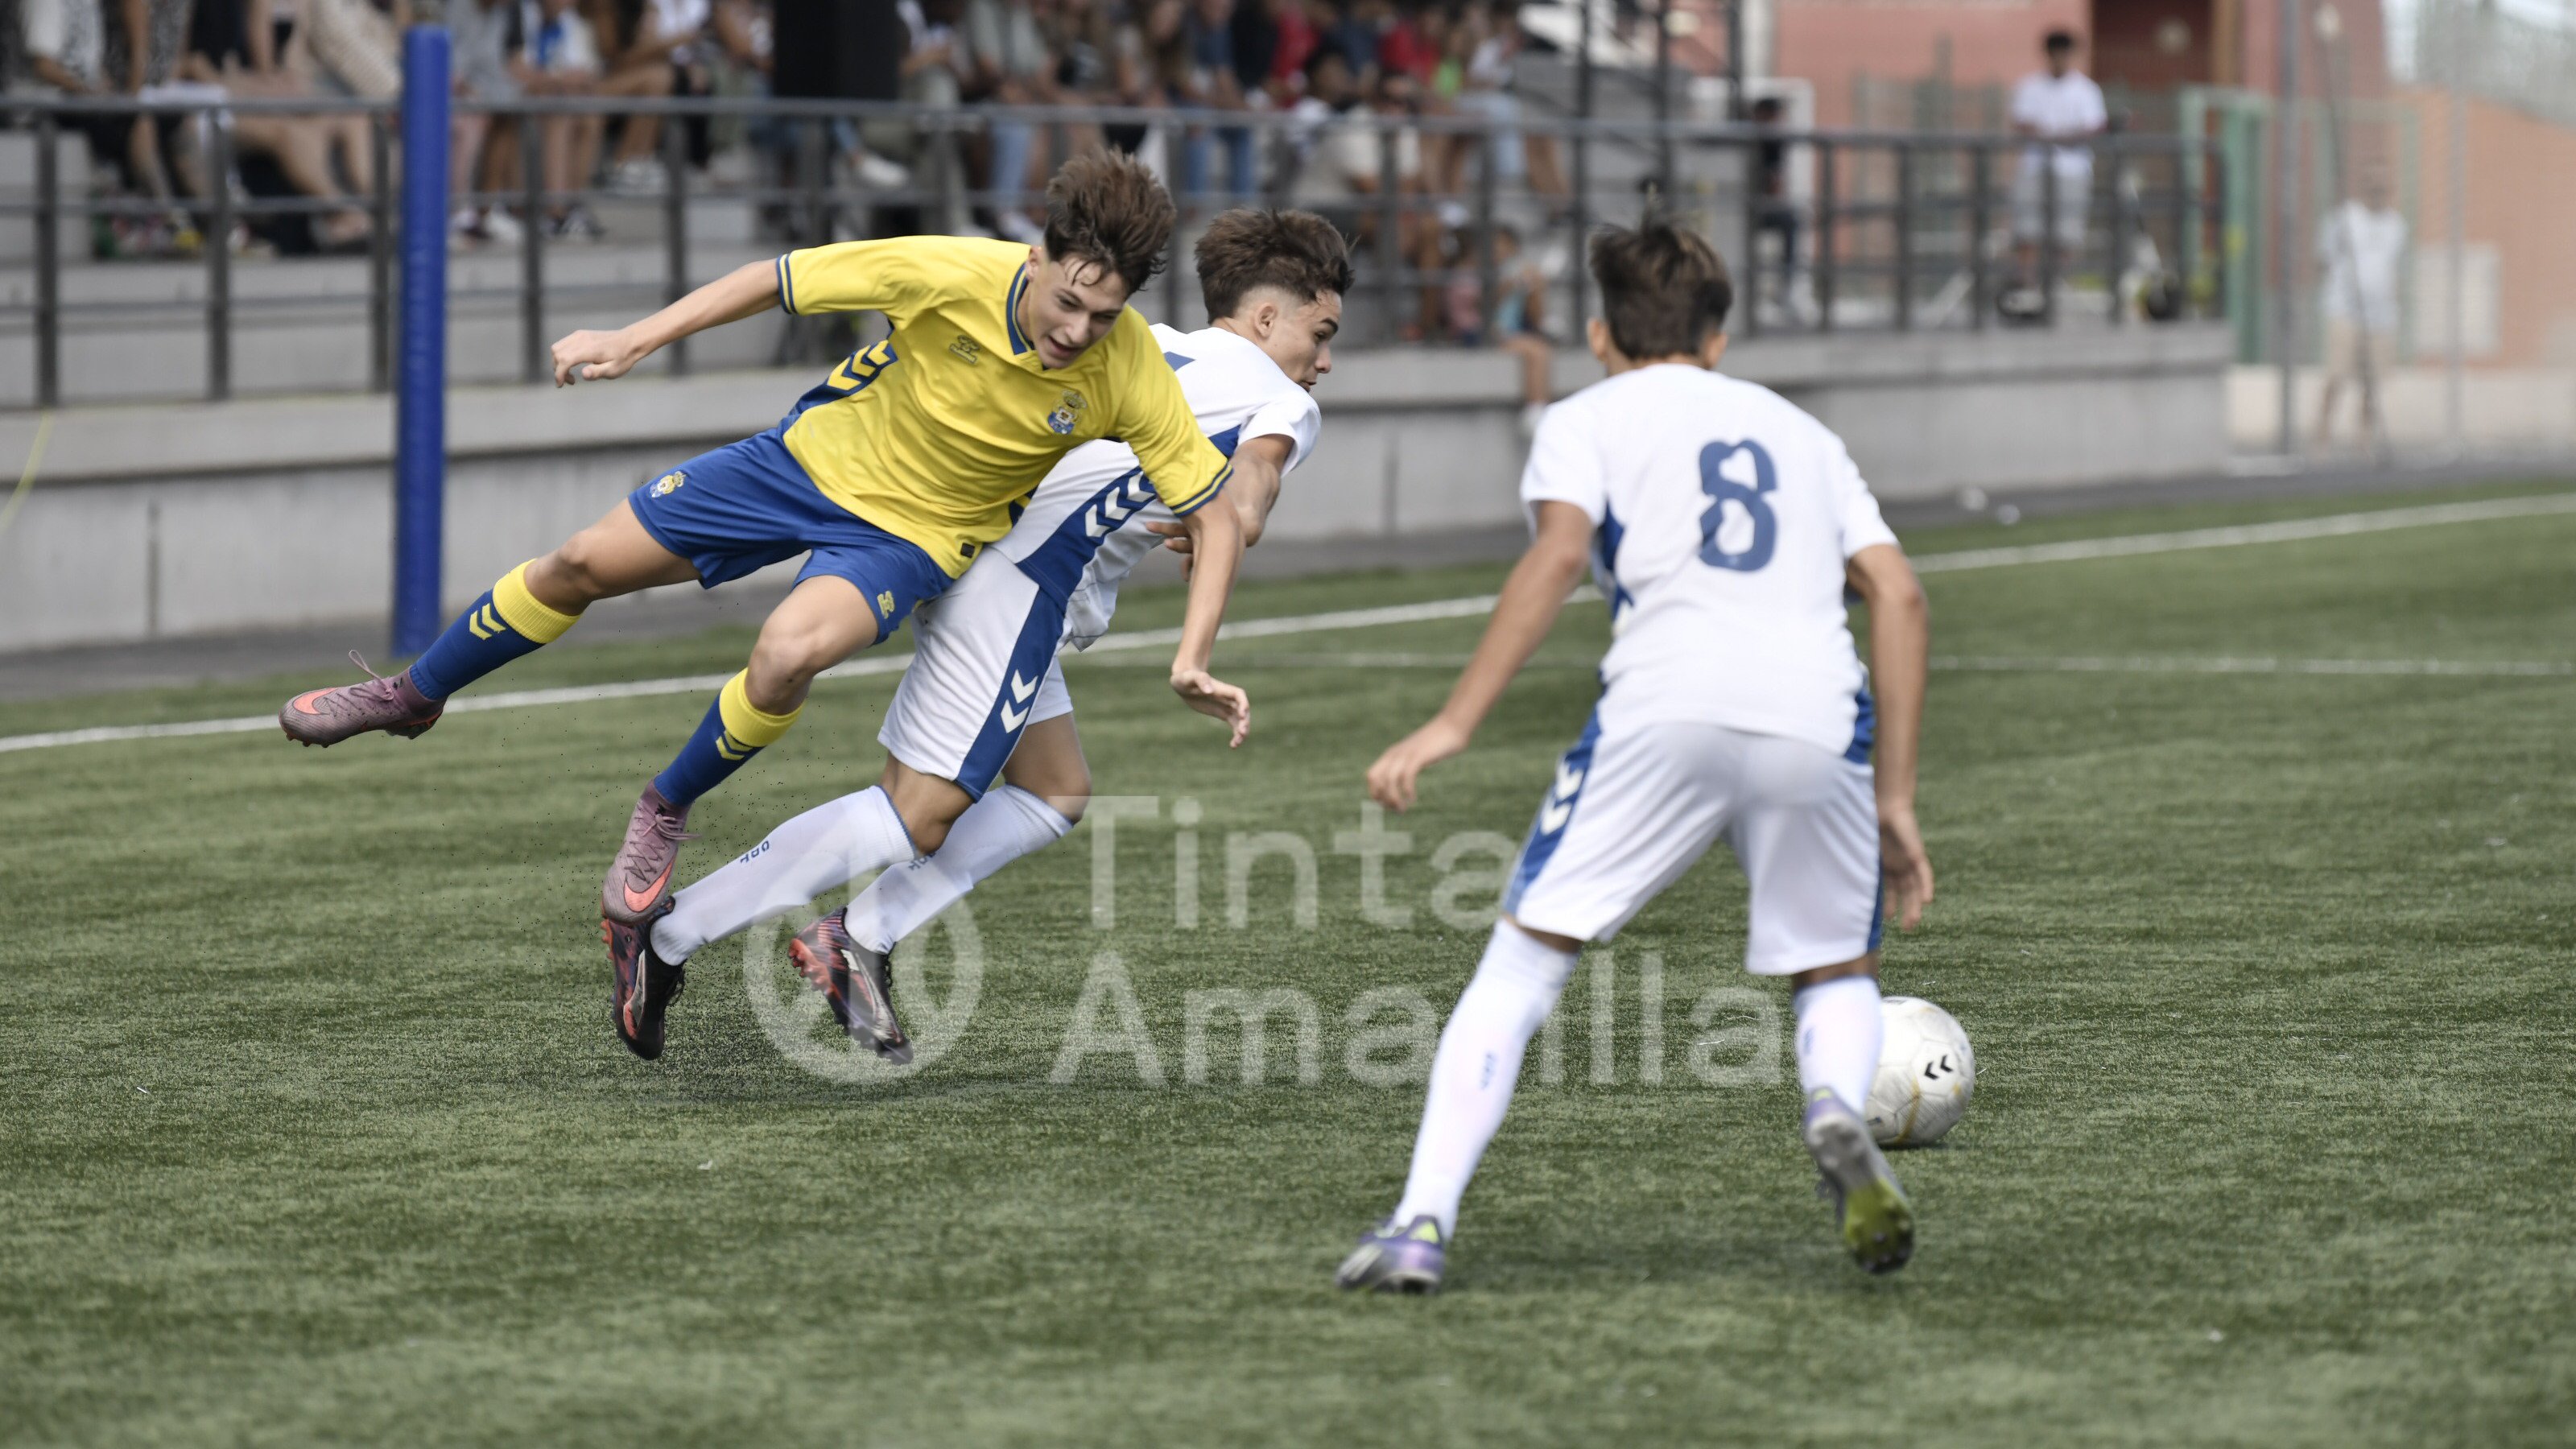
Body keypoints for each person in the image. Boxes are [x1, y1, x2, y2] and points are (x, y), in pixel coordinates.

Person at [275, 152, 1247, 943]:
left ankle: (665, 805)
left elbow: (1215, 510)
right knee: (577, 564)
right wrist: (635, 339)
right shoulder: (950, 270)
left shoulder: (1124, 370)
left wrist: (1193, 656)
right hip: (795, 465)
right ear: (1036, 258)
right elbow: (774, 281)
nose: (1077, 331)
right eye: (1068, 303)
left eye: (1103, 315)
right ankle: (414, 695)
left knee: (786, 652)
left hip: (906, 542)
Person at [1334, 213, 1935, 1292]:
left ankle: (1421, 1222)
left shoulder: (1586, 416)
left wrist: (1454, 722)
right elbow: (1898, 592)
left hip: (1666, 701)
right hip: (1817, 710)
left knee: (1523, 961)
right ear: (1719, 336)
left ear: (1603, 333)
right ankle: (1837, 1109)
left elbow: (1560, 555)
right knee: (1835, 966)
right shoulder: (1805, 435)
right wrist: (1894, 796)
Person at [609, 208, 1351, 1062]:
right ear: (1266, 319)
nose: (1324, 361)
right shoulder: (1280, 397)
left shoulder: (1150, 342)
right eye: (1320, 333)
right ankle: (669, 937)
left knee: (1053, 791)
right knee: (911, 818)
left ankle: (860, 934)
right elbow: (1253, 478)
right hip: (1019, 585)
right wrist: (1235, 525)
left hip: (973, 544)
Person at [2008, 28, 2103, 295]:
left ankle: (2056, 286)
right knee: (2027, 227)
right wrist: (2055, 136)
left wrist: (2057, 137)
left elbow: (2092, 127)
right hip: (2035, 166)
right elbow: (2022, 123)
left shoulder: (2086, 90)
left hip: (2072, 169)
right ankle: (2025, 284)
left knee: (2066, 231)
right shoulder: (2030, 86)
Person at [2315, 172, 2406, 444]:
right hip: (2345, 310)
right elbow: (2324, 257)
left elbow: (2395, 267)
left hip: (2381, 315)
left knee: (2373, 380)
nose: (2376, 193)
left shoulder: (2396, 225)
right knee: (2337, 373)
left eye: (2382, 187)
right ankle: (2322, 432)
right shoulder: (2345, 218)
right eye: (2372, 187)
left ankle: (2364, 437)